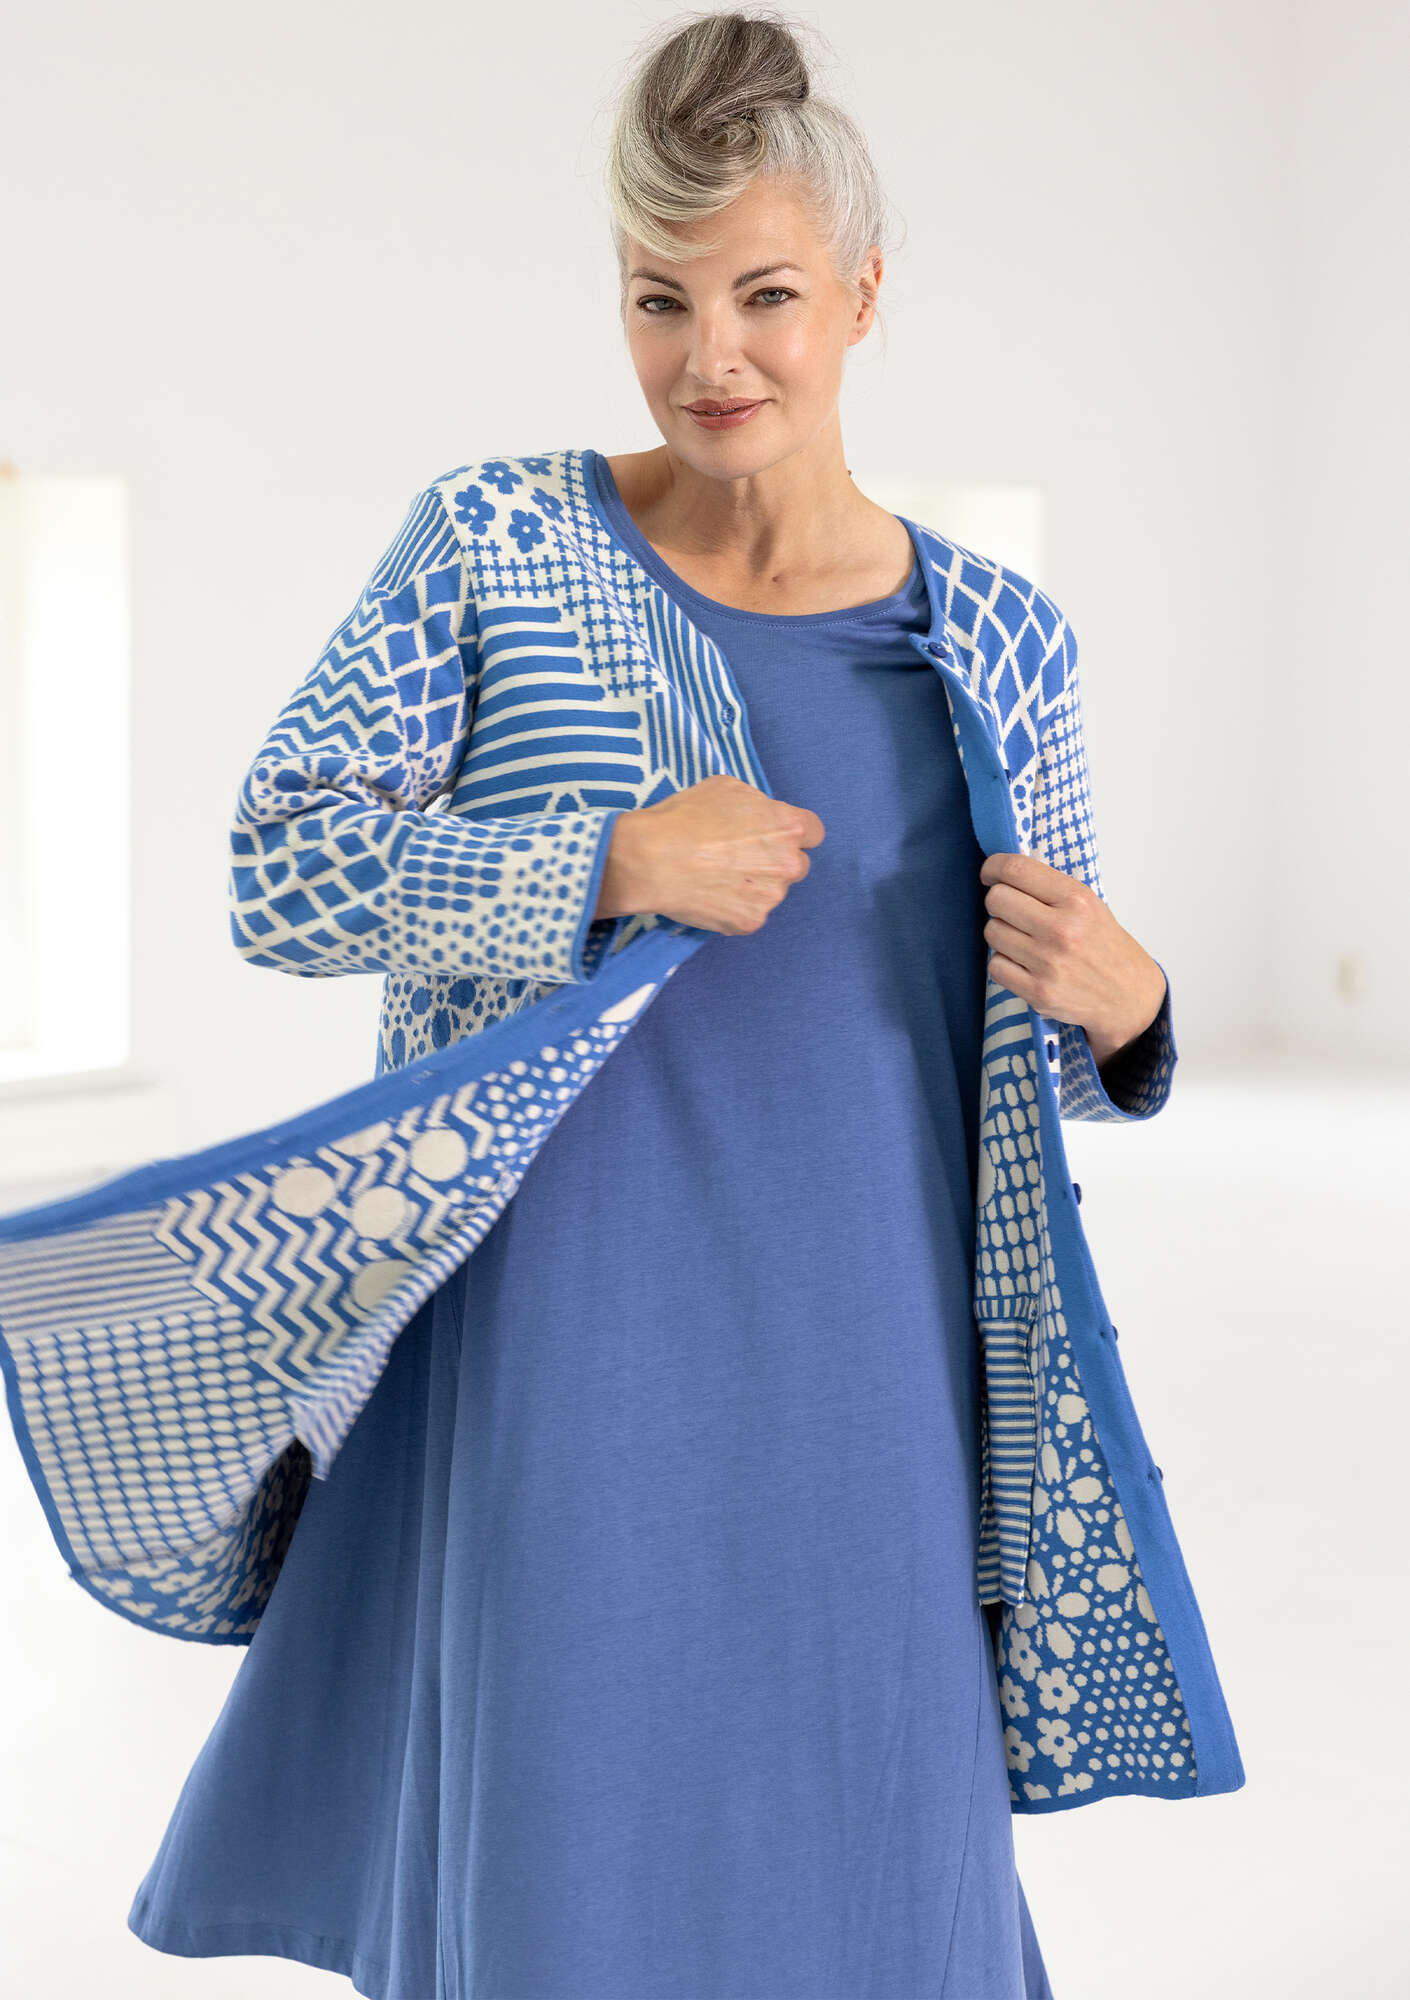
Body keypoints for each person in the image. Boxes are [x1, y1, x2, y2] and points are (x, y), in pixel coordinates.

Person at [108, 10, 1240, 1997]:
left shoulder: (998, 642)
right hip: (565, 1346)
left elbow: (1021, 1074)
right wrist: (608, 859)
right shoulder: (498, 543)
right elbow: (276, 871)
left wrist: (1135, 1013)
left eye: (766, 296)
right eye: (661, 298)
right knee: (568, 1872)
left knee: (877, 1869)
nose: (712, 355)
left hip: (877, 1370)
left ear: (863, 293)